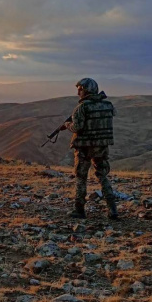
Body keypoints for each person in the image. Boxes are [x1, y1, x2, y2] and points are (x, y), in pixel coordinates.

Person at [60, 78, 118, 220]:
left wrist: (67, 125)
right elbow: (111, 114)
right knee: (102, 175)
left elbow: (77, 127)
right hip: (102, 146)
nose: (78, 92)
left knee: (81, 177)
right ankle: (112, 209)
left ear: (86, 90)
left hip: (84, 147)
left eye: (80, 89)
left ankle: (79, 210)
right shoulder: (108, 105)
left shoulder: (82, 107)